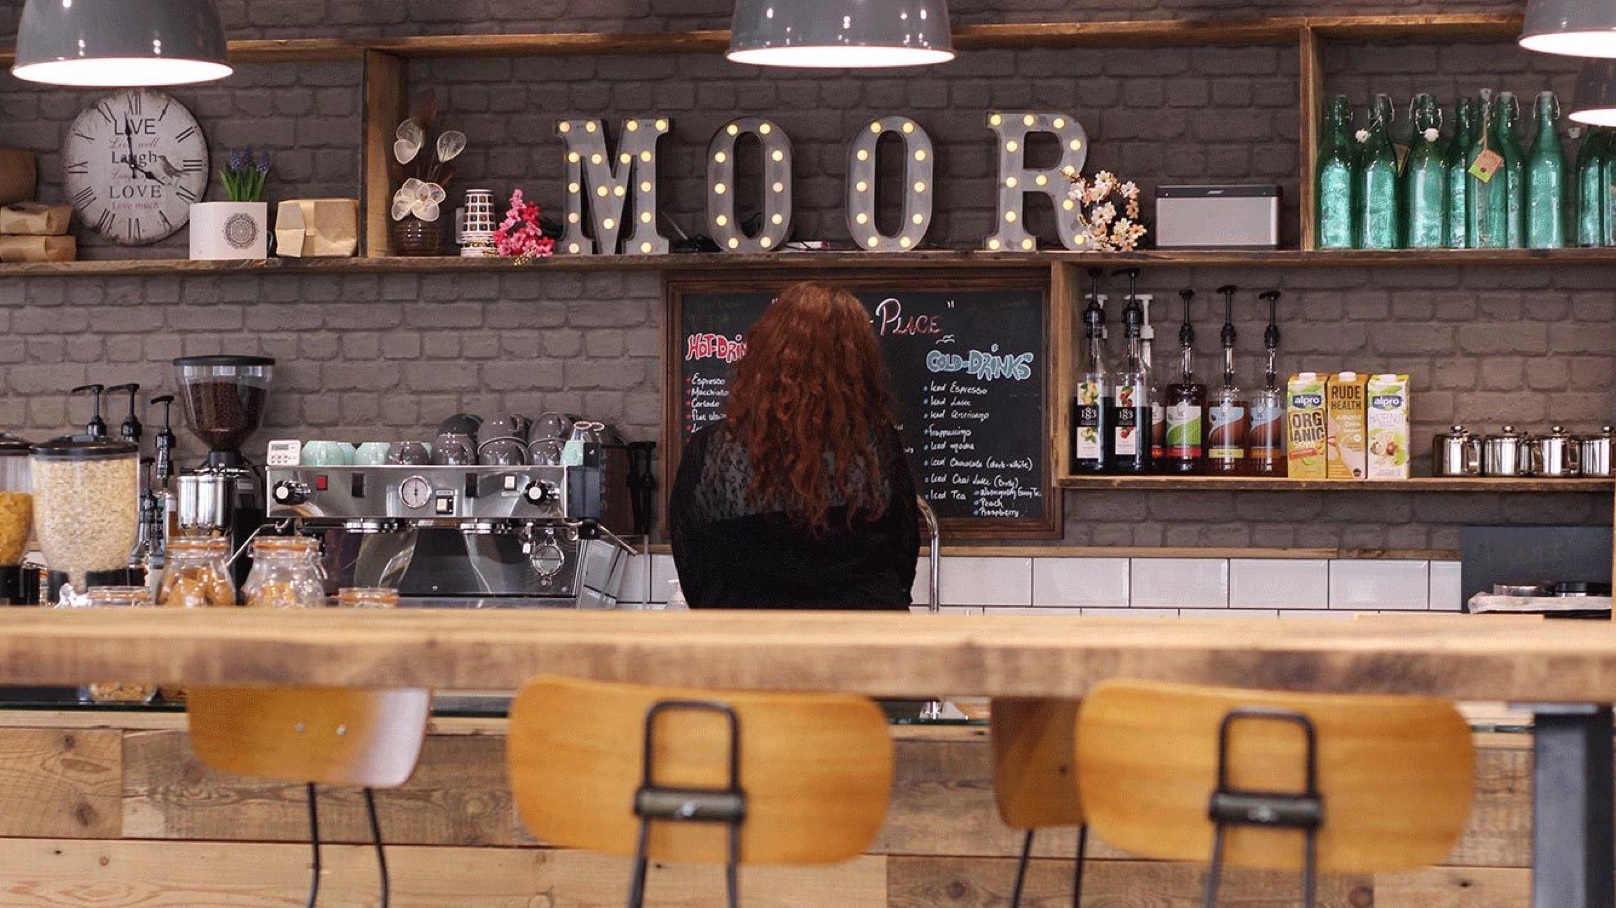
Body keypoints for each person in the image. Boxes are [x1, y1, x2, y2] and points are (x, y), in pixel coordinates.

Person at [670, 282, 920, 609]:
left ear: (764, 357)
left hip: (743, 645)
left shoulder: (711, 451)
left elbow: (692, 563)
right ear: (858, 366)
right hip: (861, 643)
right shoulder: (874, 447)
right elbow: (903, 553)